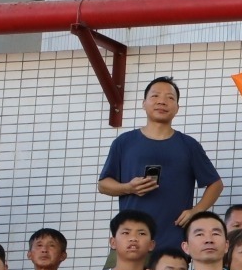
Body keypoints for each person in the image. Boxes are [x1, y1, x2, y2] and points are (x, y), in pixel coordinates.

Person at [96, 76, 223, 252]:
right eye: (155, 96)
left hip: (174, 239)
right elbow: (103, 185)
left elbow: (216, 184)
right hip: (131, 241)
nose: (162, 101)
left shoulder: (189, 145)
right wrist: (128, 188)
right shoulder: (124, 142)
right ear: (144, 103)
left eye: (170, 98)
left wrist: (196, 211)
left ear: (177, 108)